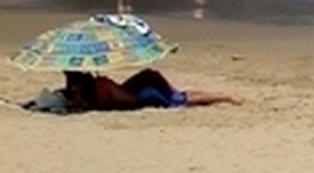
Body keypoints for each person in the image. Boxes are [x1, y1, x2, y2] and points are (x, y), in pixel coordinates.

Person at [62, 68, 242, 111]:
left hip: (141, 93)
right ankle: (222, 95)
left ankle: (224, 97)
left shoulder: (99, 87)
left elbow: (115, 100)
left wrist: (80, 102)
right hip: (144, 83)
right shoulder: (99, 85)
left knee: (178, 100)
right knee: (179, 94)